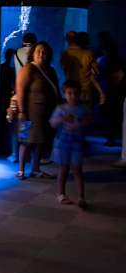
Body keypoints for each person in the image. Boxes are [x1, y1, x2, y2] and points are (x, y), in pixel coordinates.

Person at [15, 41, 60, 179]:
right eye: (38, 51)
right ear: (33, 53)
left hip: (45, 113)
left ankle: (36, 169)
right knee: (26, 141)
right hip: (29, 113)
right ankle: (21, 170)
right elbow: (20, 90)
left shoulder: (50, 70)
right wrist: (22, 111)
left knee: (41, 140)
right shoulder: (28, 69)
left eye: (44, 52)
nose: (41, 54)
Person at [50, 80, 91, 208]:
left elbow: (89, 122)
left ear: (80, 94)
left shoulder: (84, 109)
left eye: (76, 93)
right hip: (62, 143)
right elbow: (52, 123)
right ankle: (61, 194)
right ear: (64, 94)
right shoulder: (60, 108)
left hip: (77, 144)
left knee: (78, 169)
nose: (73, 96)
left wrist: (82, 122)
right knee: (64, 168)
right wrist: (62, 119)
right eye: (69, 93)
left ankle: (81, 197)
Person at [60, 31, 105, 108]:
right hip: (85, 92)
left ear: (67, 40)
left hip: (70, 92)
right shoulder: (88, 53)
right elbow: (96, 72)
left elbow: (64, 69)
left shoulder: (65, 54)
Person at [0, 48, 18, 161]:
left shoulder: (1, 68)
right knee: (11, 126)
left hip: (2, 100)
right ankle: (11, 150)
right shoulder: (13, 70)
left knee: (6, 125)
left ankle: (4, 148)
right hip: (9, 100)